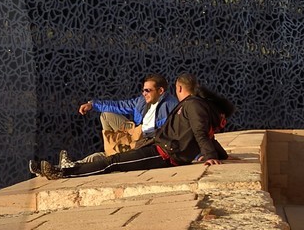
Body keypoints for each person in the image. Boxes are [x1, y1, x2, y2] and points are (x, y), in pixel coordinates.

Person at [31, 73, 231, 179]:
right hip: (155, 145)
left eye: (147, 90)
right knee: (111, 158)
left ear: (178, 88)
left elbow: (199, 131)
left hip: (163, 153)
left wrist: (209, 155)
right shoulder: (191, 105)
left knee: (113, 162)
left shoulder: (188, 105)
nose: (144, 93)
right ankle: (67, 167)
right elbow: (206, 135)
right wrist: (219, 154)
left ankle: (65, 172)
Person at [60, 74, 179, 170]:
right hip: (134, 134)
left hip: (146, 143)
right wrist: (93, 105)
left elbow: (179, 129)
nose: (144, 93)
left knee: (106, 158)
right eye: (143, 90)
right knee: (106, 115)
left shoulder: (171, 105)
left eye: (147, 90)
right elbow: (119, 106)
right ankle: (109, 147)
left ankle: (74, 166)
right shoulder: (142, 101)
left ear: (160, 90)